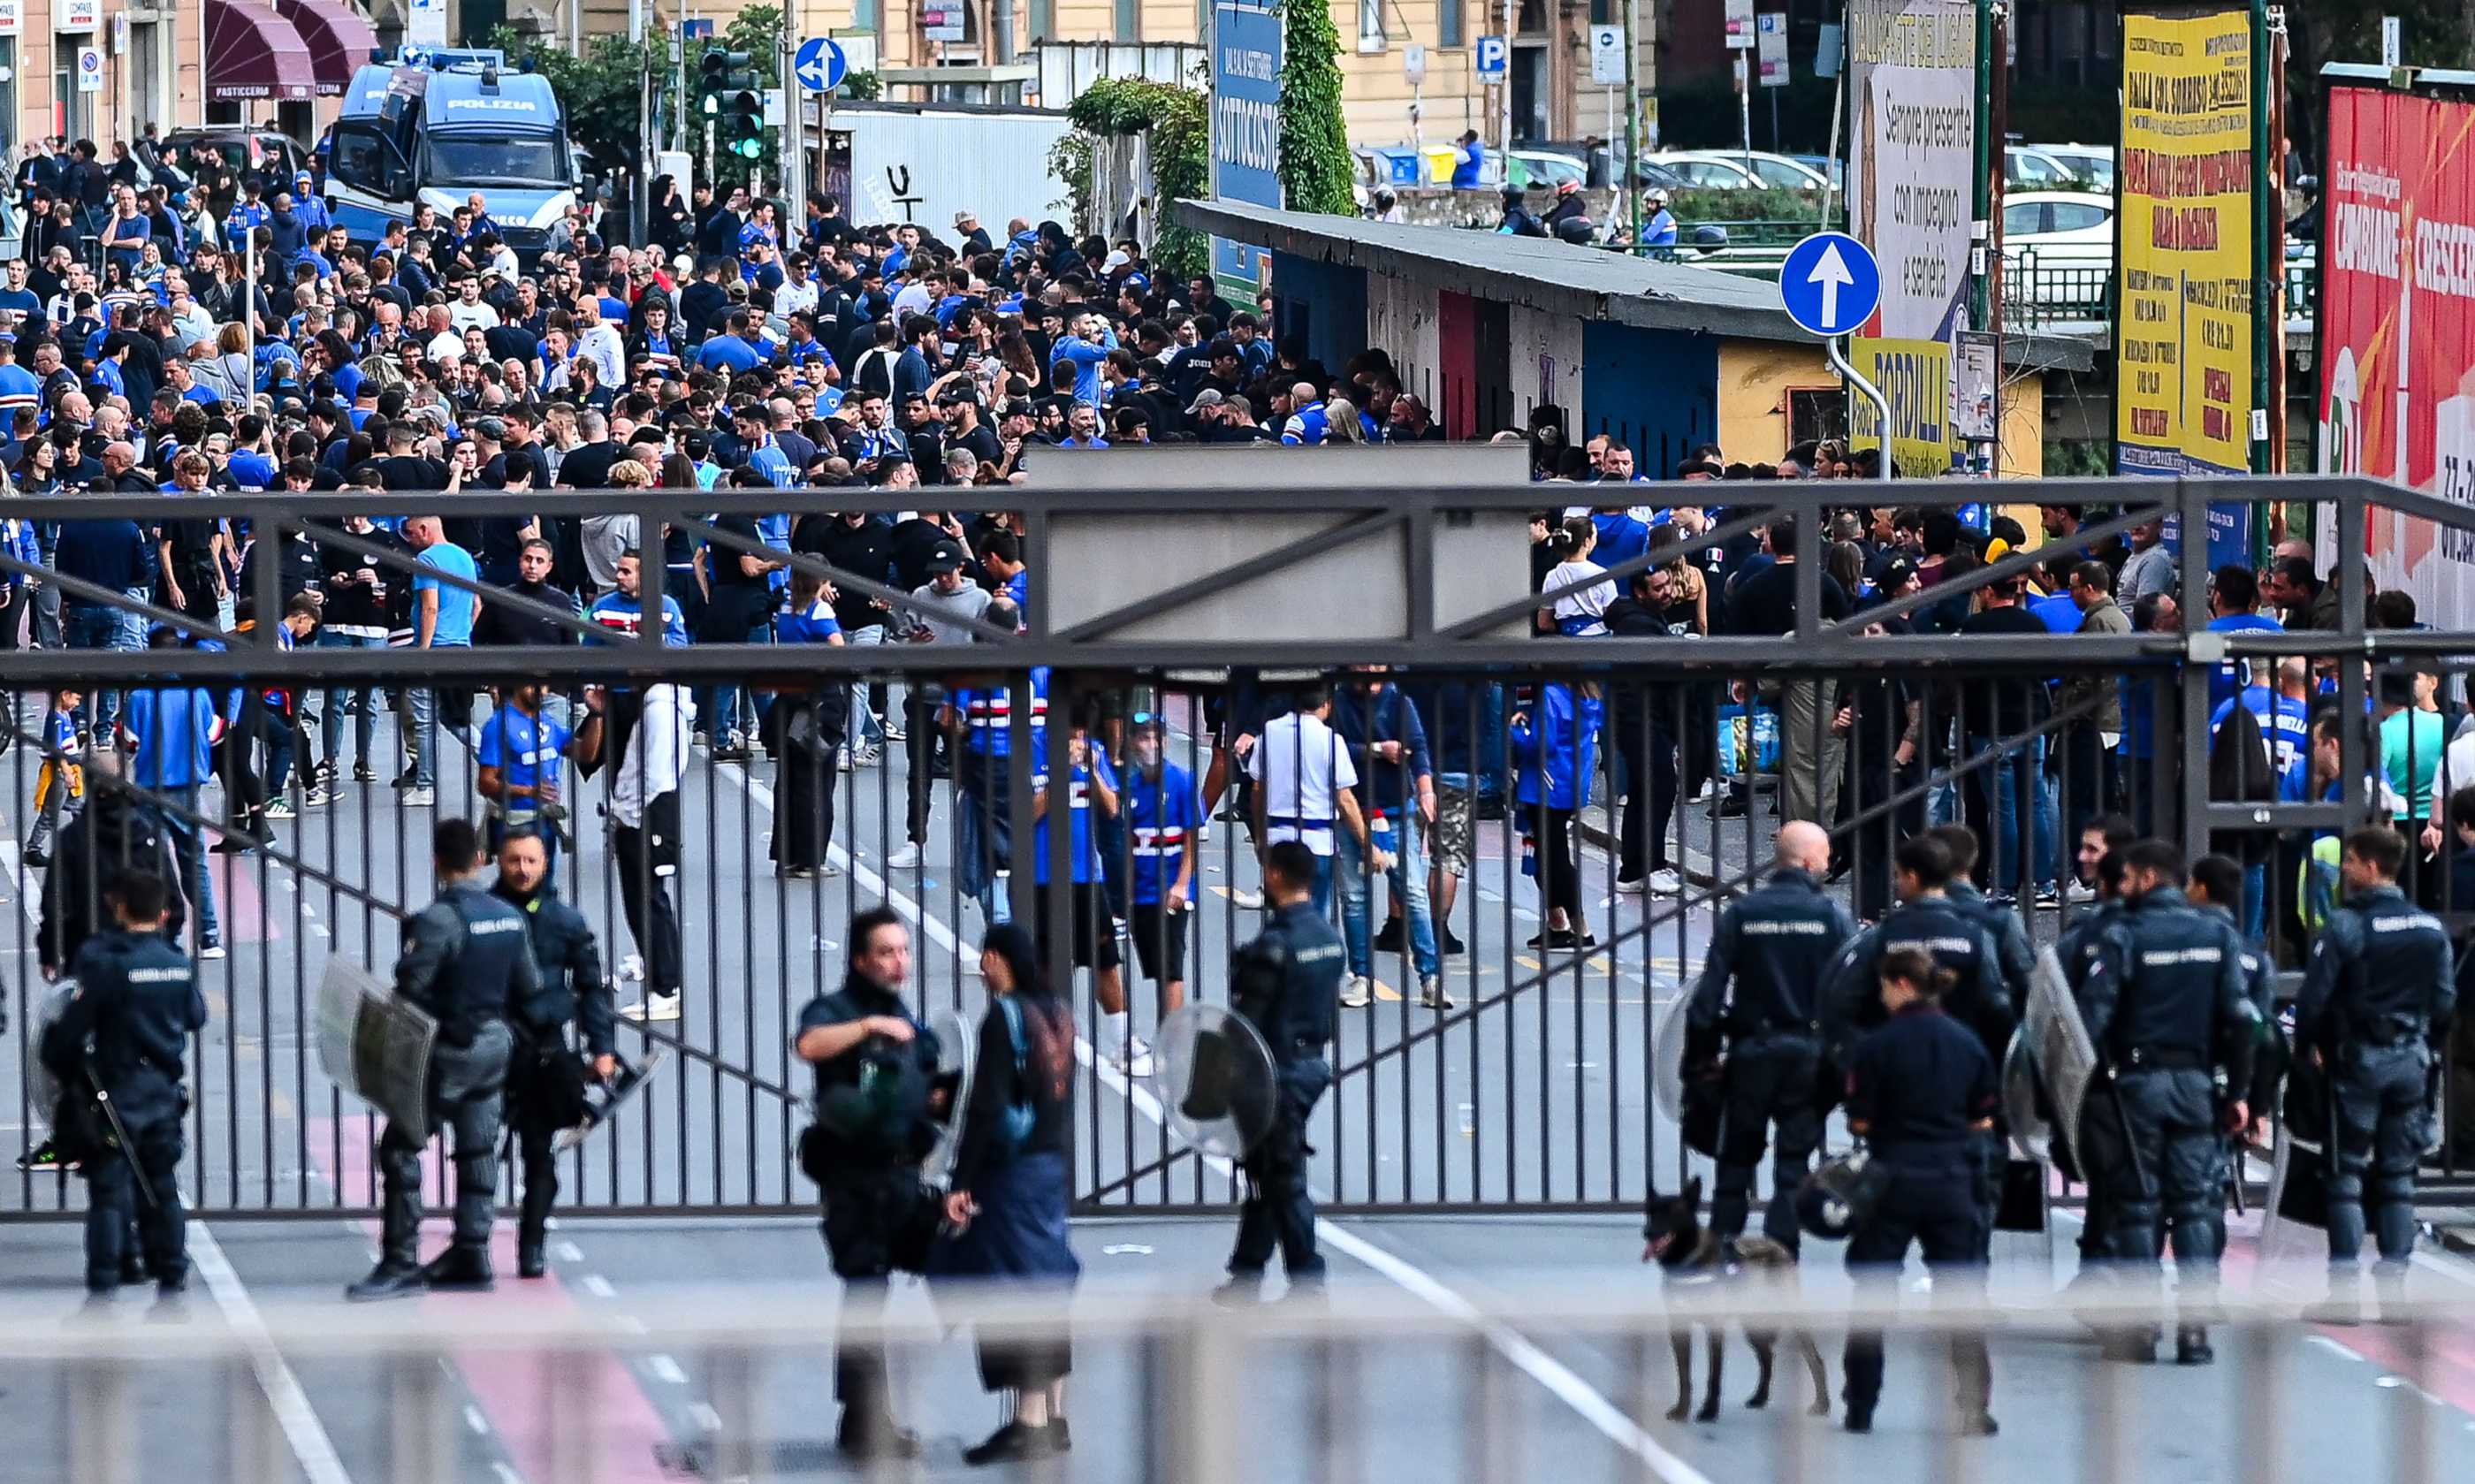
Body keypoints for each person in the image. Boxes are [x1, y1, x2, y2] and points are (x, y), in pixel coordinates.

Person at [2073, 839, 2256, 1364]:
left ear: (2149, 877)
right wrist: (2238, 1092)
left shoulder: (2123, 934)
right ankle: (2195, 1332)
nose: (2121, 884)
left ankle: (2143, 1328)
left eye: (2128, 876)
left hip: (2138, 1084)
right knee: (2196, 1205)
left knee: (2138, 1206)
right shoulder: (2217, 934)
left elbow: (2092, 1017)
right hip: (2198, 1085)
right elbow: (2243, 1018)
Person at [348, 819, 540, 1300]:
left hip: (448, 1049)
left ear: (436, 861)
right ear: (481, 859)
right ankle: (473, 1253)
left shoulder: (439, 920)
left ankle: (400, 1261)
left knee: (400, 1148)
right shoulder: (508, 917)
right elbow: (530, 986)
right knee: (478, 1150)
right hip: (495, 1045)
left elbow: (412, 989)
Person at [794, 907, 945, 1460]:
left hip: (902, 1176)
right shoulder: (841, 1011)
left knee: (937, 1269)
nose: (898, 961)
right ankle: (864, 1419)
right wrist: (867, 1029)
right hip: (855, 1180)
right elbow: (808, 1045)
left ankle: (865, 1417)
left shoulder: (903, 1014)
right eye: (886, 952)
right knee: (866, 1292)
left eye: (903, 951)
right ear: (860, 959)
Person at [2293, 826, 2455, 1320]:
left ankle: (2343, 1295)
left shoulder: (2345, 927)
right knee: (2398, 1176)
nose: (2344, 869)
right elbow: (2445, 1000)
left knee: (2345, 1176)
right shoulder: (2429, 927)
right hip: (2411, 1061)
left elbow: (2313, 1002)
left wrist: (2314, 1049)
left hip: (2358, 1060)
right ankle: (2394, 1290)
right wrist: (2426, 1045)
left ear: (2369, 865)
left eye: (2350, 861)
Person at [1839, 947, 1999, 1435]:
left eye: (1886, 986)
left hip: (1891, 1180)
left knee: (1871, 1293)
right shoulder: (1967, 1044)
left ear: (1902, 984)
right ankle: (1974, 1404)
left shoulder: (1876, 1046)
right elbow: (1983, 1115)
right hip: (1952, 1180)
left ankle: (1862, 1403)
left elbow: (1860, 1117)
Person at [936, 923, 1079, 1465]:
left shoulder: (1005, 1017)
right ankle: (1056, 1415)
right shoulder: (1060, 1013)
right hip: (1049, 1166)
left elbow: (987, 1106)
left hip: (1012, 1171)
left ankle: (1028, 1419)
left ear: (998, 959)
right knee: (1049, 1280)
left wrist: (962, 1181)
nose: (980, 969)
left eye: (984, 959)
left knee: (1013, 1288)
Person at [1684, 821, 1855, 1250]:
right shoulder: (1831, 917)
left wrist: (1700, 1061)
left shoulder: (1743, 913)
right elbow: (1852, 992)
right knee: (1794, 1163)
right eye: (1826, 854)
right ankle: (1781, 1253)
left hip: (1751, 1052)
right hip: (1808, 1057)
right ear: (1806, 859)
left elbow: (1708, 996)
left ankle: (1722, 1246)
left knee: (1736, 1158)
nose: (1829, 861)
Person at [43, 868, 204, 1297]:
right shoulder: (175, 963)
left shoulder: (108, 964)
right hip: (164, 1090)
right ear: (164, 912)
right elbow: (196, 1016)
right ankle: (172, 1270)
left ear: (119, 906)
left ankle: (105, 1278)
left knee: (110, 1191)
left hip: (115, 1090)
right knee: (163, 1186)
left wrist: (62, 1069)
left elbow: (69, 1032)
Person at [1215, 841, 1344, 1304]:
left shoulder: (1275, 945)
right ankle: (1246, 1274)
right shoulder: (1329, 939)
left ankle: (1307, 1280)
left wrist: (1218, 1086)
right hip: (1310, 1066)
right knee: (1267, 1172)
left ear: (1274, 875)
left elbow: (1244, 1025)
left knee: (1282, 1176)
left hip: (1276, 1072)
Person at [492, 826, 613, 1279]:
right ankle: (470, 1238)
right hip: (490, 1048)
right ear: (499, 863)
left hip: (542, 1052)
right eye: (514, 861)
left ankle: (532, 1243)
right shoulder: (482, 913)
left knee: (539, 1155)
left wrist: (602, 1049)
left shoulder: (565, 921)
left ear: (545, 864)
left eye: (531, 861)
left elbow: (590, 990)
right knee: (476, 1150)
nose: (523, 870)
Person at [575, 681, 692, 1023]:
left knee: (648, 900)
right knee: (642, 900)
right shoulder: (653, 707)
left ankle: (666, 989)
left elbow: (654, 776)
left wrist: (627, 813)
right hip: (643, 814)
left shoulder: (658, 710)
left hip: (647, 817)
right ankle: (658, 975)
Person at [1122, 714, 1198, 1022]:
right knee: (1156, 968)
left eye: (1156, 738)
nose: (1150, 745)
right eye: (1143, 738)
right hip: (1142, 892)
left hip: (1170, 891)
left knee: (1171, 971)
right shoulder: (1131, 786)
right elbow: (1126, 840)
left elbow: (1191, 839)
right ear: (1132, 743)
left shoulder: (1181, 781)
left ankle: (1173, 1036)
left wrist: (1181, 884)